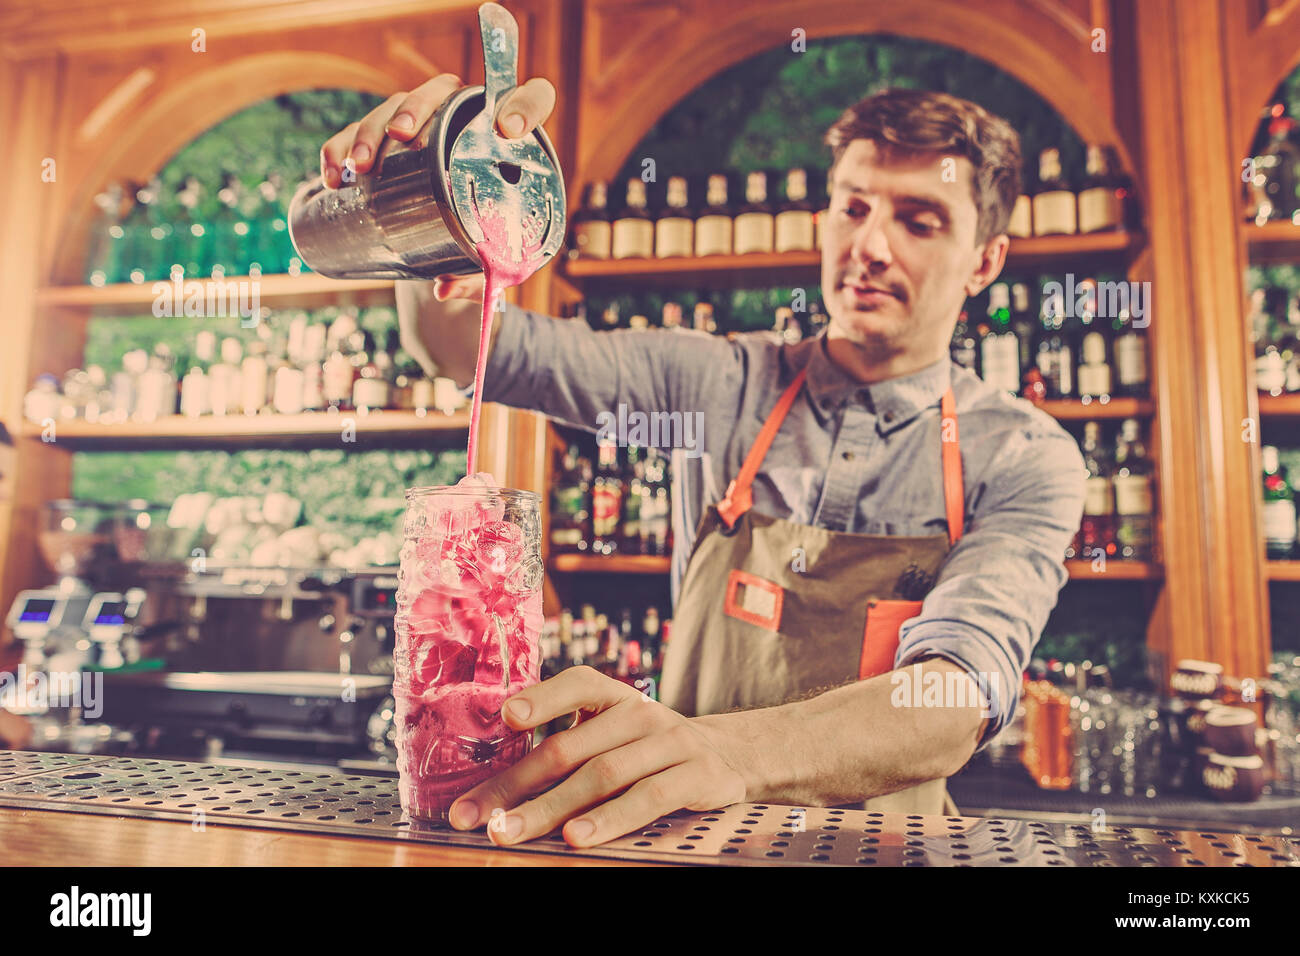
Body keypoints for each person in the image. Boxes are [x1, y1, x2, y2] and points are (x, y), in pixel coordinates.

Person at [319, 76, 1085, 847]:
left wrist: (726, 748)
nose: (871, 246)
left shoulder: (1023, 455)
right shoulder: (719, 382)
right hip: (693, 847)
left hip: (888, 855)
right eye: (853, 207)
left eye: (920, 221)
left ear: (985, 261)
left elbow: (956, 695)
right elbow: (460, 344)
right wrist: (426, 195)